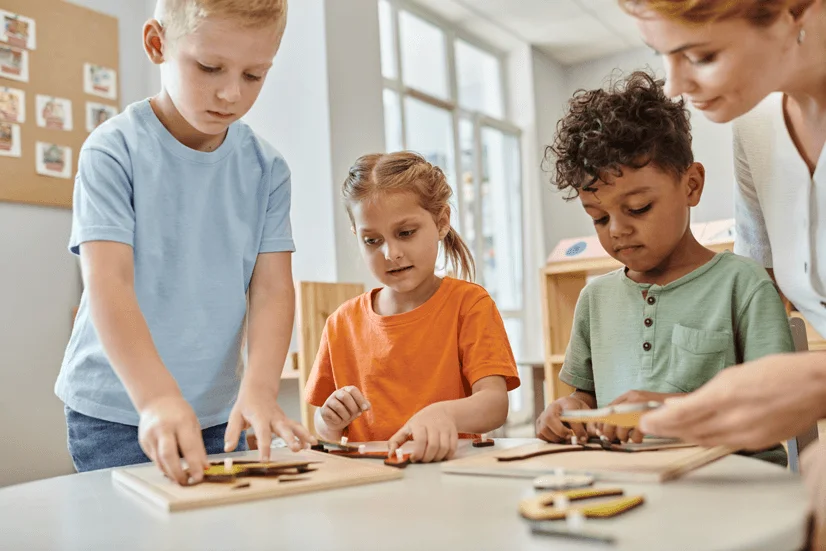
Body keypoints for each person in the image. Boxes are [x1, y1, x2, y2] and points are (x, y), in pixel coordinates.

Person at [55, 0, 314, 485]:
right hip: (118, 409)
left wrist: (259, 390)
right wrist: (155, 398)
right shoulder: (113, 150)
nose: (231, 93)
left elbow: (273, 291)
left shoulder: (268, 170)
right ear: (157, 44)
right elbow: (109, 281)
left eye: (255, 75)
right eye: (210, 67)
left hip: (219, 413)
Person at [617, 0, 826, 544]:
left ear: (794, 13)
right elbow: (770, 279)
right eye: (665, 57)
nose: (675, 86)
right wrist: (695, 406)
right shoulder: (755, 124)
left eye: (701, 55)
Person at [535, 71, 794, 465]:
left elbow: (778, 408)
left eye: (638, 208)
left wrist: (675, 412)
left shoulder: (743, 284)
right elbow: (586, 396)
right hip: (630, 488)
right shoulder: (594, 299)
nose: (618, 230)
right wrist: (568, 409)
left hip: (733, 490)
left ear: (691, 185)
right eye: (599, 218)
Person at [304, 151, 521, 463]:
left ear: (442, 222)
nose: (391, 253)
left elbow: (494, 405)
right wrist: (329, 420)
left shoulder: (470, 305)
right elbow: (324, 428)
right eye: (371, 241)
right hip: (368, 484)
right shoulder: (341, 323)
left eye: (405, 233)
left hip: (449, 478)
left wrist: (441, 414)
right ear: (357, 236)